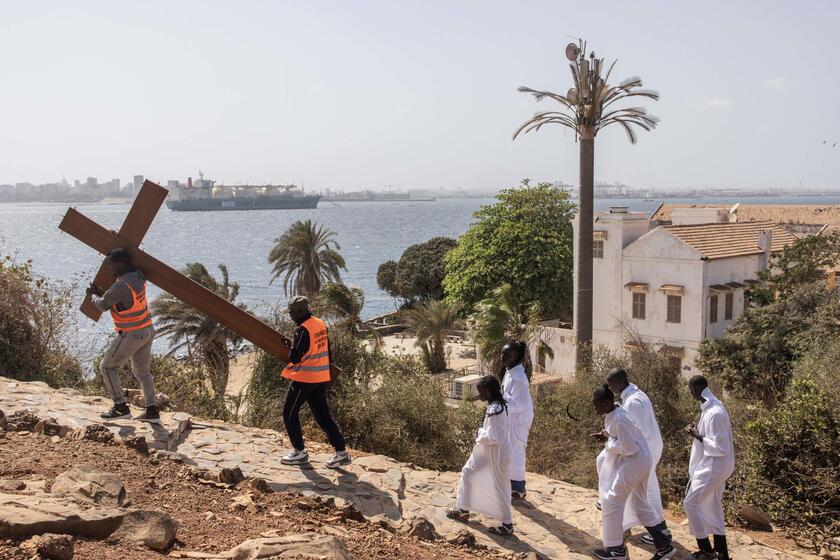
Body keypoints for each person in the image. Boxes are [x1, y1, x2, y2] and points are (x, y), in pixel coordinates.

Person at [591, 384, 675, 560]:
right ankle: (664, 545)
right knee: (640, 504)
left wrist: (607, 442)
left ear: (606, 403)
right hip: (641, 461)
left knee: (612, 500)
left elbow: (628, 448)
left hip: (635, 462)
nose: (595, 408)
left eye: (597, 405)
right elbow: (621, 439)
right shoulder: (614, 413)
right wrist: (608, 437)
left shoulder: (620, 419)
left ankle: (616, 549)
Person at [87, 247, 159, 423]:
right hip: (148, 329)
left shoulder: (121, 285)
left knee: (107, 367)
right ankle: (152, 411)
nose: (108, 268)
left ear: (120, 264)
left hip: (132, 332)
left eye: (110, 265)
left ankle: (120, 407)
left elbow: (103, 304)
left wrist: (92, 295)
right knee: (143, 372)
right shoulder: (139, 276)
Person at [279, 295, 350, 469]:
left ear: (298, 312)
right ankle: (341, 453)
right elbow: (328, 352)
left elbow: (295, 358)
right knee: (323, 417)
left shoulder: (302, 330)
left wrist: (290, 349)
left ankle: (299, 453)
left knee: (289, 413)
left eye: (291, 313)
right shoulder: (320, 323)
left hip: (305, 378)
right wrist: (327, 375)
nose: (290, 316)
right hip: (320, 377)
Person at [605, 368, 669, 547]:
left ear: (617, 384)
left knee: (647, 491)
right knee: (650, 489)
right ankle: (659, 528)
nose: (610, 390)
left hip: (646, 451)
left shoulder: (632, 402)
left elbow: (641, 430)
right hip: (649, 449)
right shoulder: (636, 394)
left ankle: (660, 532)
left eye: (610, 386)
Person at [447, 375, 514, 535]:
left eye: (482, 392)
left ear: (489, 392)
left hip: (495, 454)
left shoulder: (495, 410)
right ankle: (463, 508)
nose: (480, 395)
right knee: (468, 472)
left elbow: (493, 437)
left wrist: (479, 432)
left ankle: (507, 525)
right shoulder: (497, 406)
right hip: (491, 452)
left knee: (500, 487)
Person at [684, 375, 735, 560]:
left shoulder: (714, 412)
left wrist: (698, 436)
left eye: (691, 391)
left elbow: (721, 448)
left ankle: (705, 551)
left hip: (715, 465)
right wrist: (697, 433)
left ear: (695, 390)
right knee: (711, 504)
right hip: (714, 465)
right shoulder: (710, 408)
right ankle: (722, 553)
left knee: (690, 504)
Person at [501, 341, 533, 500]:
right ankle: (509, 485)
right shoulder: (510, 371)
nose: (502, 357)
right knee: (509, 453)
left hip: (518, 422)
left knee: (516, 454)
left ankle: (518, 488)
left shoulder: (519, 378)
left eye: (506, 354)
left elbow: (520, 404)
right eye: (502, 353)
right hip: (511, 420)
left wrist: (501, 398)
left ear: (516, 356)